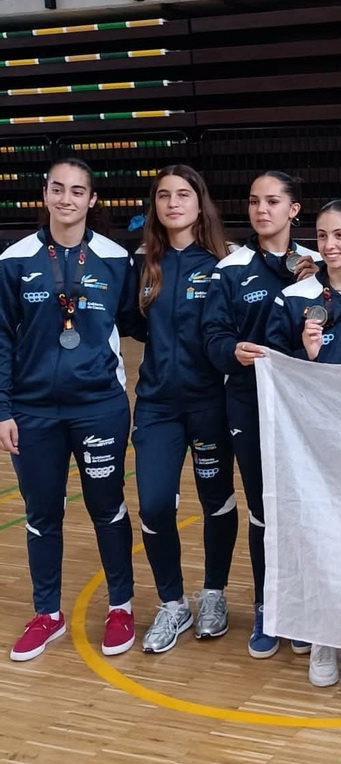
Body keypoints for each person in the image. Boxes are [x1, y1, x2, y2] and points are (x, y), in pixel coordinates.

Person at [0, 158, 137, 660]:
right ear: (44, 194)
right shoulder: (13, 259)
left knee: (107, 506)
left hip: (99, 406)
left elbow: (137, 321)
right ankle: (47, 614)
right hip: (33, 412)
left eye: (78, 191)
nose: (66, 199)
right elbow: (1, 338)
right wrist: (2, 409)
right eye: (58, 189)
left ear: (92, 200)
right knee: (42, 513)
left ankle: (121, 606)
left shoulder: (116, 259)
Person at [265, 198, 341, 687]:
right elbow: (272, 365)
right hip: (313, 441)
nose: (330, 245)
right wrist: (305, 352)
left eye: (340, 235)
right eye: (321, 236)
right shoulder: (293, 297)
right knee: (320, 532)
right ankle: (323, 635)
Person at [202, 170, 319, 659]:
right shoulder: (231, 269)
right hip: (250, 402)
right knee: (263, 509)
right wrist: (232, 352)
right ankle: (267, 606)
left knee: (307, 507)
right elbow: (213, 337)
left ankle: (306, 606)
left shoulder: (317, 264)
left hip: (308, 409)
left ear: (294, 209)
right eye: (254, 201)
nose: (261, 210)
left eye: (272, 201)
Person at [129, 165, 238, 653]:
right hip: (157, 406)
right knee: (154, 504)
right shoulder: (142, 264)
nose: (173, 203)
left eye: (183, 194)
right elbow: (133, 322)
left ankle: (214, 593)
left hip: (209, 403)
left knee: (216, 499)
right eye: (163, 195)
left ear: (200, 203)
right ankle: (172, 604)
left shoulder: (225, 263)